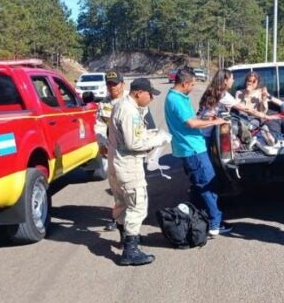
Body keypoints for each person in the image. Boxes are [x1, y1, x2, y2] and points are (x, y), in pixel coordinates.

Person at [165, 68, 233, 236]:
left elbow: (191, 120)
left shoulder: (175, 97)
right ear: (184, 83)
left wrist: (204, 119)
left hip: (189, 148)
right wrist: (216, 121)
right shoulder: (177, 100)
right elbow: (191, 124)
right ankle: (215, 224)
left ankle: (197, 217)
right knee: (209, 185)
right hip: (193, 149)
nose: (193, 87)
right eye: (192, 84)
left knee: (198, 186)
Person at [108, 78, 166, 266]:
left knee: (122, 203)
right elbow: (134, 143)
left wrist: (150, 134)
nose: (151, 99)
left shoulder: (122, 105)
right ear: (139, 93)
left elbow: (130, 136)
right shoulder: (129, 111)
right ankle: (130, 250)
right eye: (150, 95)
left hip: (117, 163)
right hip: (128, 165)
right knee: (137, 205)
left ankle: (125, 239)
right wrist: (157, 140)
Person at [95, 71, 127, 232]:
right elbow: (100, 125)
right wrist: (101, 143)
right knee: (115, 186)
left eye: (115, 84)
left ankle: (132, 217)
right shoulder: (104, 103)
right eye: (109, 84)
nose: (112, 87)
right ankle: (117, 217)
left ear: (123, 84)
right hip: (112, 150)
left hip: (130, 150)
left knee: (129, 186)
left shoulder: (131, 100)